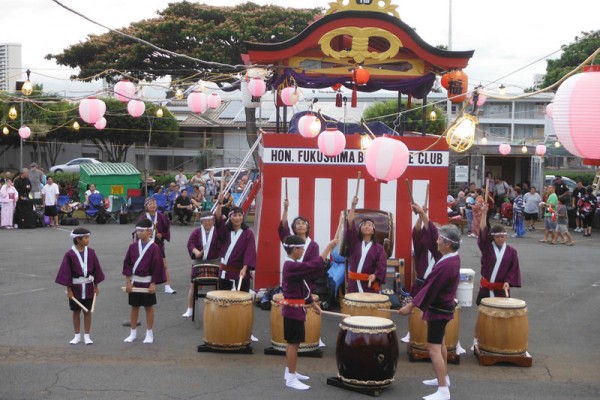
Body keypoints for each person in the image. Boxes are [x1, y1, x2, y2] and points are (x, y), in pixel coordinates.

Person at [398, 225, 462, 400]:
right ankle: (444, 378)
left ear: (448, 243)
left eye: (440, 238)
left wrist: (410, 306)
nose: (437, 240)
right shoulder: (452, 258)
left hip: (439, 310)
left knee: (433, 348)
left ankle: (443, 390)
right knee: (440, 345)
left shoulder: (446, 265)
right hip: (443, 306)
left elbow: (430, 288)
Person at [280, 235, 337, 390]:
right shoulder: (290, 266)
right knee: (293, 344)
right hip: (292, 312)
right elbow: (315, 265)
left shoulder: (294, 265)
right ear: (294, 249)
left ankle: (289, 371)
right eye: (301, 248)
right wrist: (329, 247)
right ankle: (291, 378)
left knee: (293, 343)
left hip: (295, 311)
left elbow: (304, 287)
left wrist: (313, 304)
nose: (303, 251)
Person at [55, 228, 105, 345]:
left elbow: (96, 270)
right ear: (78, 239)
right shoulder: (69, 254)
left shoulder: (91, 252)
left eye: (88, 237)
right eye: (86, 237)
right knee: (76, 311)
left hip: (88, 286)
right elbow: (66, 272)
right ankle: (77, 335)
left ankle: (87, 335)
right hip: (75, 287)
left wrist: (96, 286)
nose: (88, 240)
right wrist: (69, 290)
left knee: (87, 311)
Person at [122, 219, 167, 344]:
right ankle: (133, 333)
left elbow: (158, 267)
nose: (139, 233)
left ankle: (149, 333)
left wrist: (153, 283)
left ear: (149, 231)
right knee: (134, 307)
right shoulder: (133, 246)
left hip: (148, 281)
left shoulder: (154, 247)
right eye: (137, 231)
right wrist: (128, 281)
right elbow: (127, 264)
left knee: (148, 307)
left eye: (141, 231)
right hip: (135, 281)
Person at [476, 203, 522, 305]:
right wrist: (484, 213)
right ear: (493, 237)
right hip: (486, 288)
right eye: (497, 237)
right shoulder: (487, 248)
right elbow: (483, 230)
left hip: (501, 289)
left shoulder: (512, 252)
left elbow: (513, 269)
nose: (500, 239)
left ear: (506, 237)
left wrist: (507, 281)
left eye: (502, 236)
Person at [344, 195, 387, 293]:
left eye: (369, 225)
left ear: (373, 230)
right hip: (354, 284)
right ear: (360, 229)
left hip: (369, 285)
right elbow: (350, 223)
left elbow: (381, 265)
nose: (366, 227)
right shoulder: (354, 243)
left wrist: (375, 275)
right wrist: (353, 206)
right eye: (364, 225)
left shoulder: (379, 248)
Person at [215, 195, 256, 292]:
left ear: (243, 216)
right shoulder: (225, 230)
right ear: (230, 217)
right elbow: (218, 220)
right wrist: (219, 204)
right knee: (224, 300)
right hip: (225, 272)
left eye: (240, 215)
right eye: (234, 215)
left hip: (241, 272)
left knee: (241, 302)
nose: (237, 218)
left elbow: (249, 252)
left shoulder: (248, 233)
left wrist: (245, 268)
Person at [183, 211, 220, 318]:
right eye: (205, 221)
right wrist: (196, 251)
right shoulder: (196, 232)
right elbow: (190, 244)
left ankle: (216, 307)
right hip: (199, 262)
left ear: (213, 221)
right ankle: (190, 309)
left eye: (210, 220)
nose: (207, 222)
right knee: (193, 286)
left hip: (213, 262)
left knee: (215, 285)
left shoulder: (217, 232)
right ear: (202, 222)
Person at [139, 198, 176, 294]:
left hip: (158, 245)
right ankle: (145, 284)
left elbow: (166, 229)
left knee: (164, 265)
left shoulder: (162, 216)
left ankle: (167, 286)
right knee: (145, 266)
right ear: (146, 206)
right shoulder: (143, 218)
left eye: (154, 204)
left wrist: (162, 235)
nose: (152, 205)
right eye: (150, 204)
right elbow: (139, 231)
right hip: (146, 245)